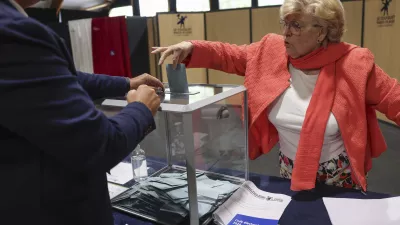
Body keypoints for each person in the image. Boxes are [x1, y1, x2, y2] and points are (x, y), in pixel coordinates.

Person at [153, 0, 400, 193]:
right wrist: (192, 47)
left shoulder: (355, 63)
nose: (286, 33)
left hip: (340, 178)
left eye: (296, 25)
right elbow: (229, 55)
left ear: (323, 32)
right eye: (285, 23)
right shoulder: (271, 50)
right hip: (288, 170)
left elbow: (393, 98)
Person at [0, 0, 163, 225]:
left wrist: (126, 83)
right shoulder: (14, 31)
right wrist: (141, 109)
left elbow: (64, 76)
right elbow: (100, 144)